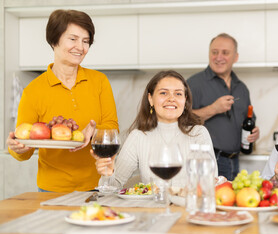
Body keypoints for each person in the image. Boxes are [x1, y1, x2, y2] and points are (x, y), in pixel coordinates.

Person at [6, 9, 119, 192]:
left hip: (95, 187)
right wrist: (16, 148)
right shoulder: (33, 91)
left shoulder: (99, 82)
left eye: (85, 41)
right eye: (73, 39)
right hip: (51, 189)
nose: (80, 47)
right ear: (54, 40)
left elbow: (112, 127)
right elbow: (25, 145)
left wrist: (95, 130)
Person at [92, 70, 217, 189]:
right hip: (152, 209)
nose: (171, 98)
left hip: (188, 208)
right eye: (163, 93)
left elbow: (210, 182)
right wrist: (107, 173)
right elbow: (113, 186)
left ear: (185, 100)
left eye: (178, 93)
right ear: (150, 99)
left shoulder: (199, 134)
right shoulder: (138, 137)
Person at [187, 33, 260, 181]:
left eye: (225, 53)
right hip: (207, 162)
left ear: (235, 57)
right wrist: (213, 108)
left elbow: (249, 120)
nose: (218, 57)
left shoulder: (241, 88)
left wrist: (254, 134)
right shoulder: (193, 84)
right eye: (214, 52)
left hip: (235, 161)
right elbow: (181, 121)